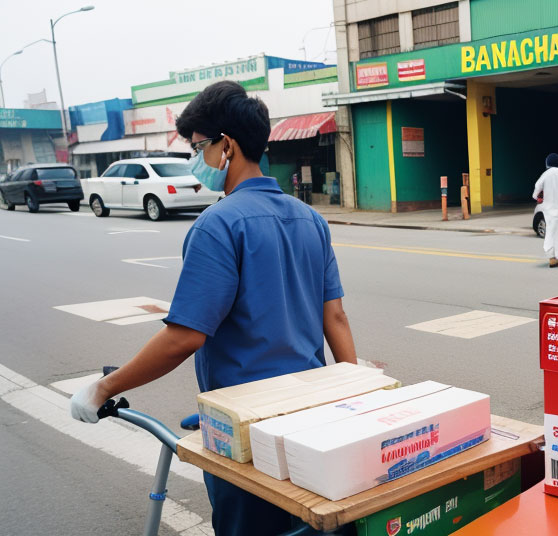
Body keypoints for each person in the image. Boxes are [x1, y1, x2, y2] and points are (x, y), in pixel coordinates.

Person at [69, 81, 357, 535]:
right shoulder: (310, 219)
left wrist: (103, 388)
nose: (195, 160)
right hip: (312, 414)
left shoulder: (217, 226)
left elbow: (184, 336)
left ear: (228, 146)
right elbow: (335, 318)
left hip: (246, 432)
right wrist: (352, 391)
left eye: (198, 146)